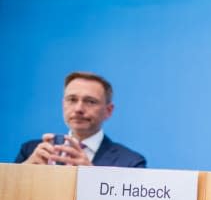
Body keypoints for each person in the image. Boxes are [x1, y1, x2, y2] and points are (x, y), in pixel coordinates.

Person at [16, 72, 146, 168]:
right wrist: (23, 172)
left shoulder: (131, 162)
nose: (78, 108)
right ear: (63, 104)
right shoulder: (30, 150)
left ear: (108, 111)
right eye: (72, 99)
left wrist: (91, 177)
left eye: (90, 101)